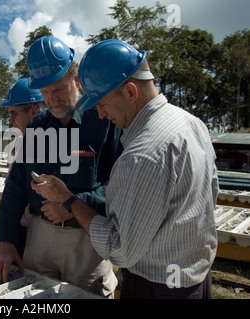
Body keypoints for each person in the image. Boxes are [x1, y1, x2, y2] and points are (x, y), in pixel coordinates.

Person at [31, 39, 219, 299]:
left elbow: (120, 250)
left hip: (156, 286)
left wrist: (69, 201)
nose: (100, 115)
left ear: (130, 92)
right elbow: (212, 193)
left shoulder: (143, 154)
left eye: (102, 104)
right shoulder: (192, 123)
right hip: (195, 279)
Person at [0, 36, 123, 298]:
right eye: (45, 92)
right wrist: (4, 240)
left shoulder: (104, 120)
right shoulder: (38, 126)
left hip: (86, 239)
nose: (52, 99)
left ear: (77, 81)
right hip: (40, 237)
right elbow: (16, 184)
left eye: (58, 89)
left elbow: (122, 186)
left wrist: (73, 204)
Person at [0, 78, 46, 258]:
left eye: (13, 114)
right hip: (19, 229)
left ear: (33, 111)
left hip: (41, 232)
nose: (10, 121)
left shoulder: (53, 146)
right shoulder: (17, 145)